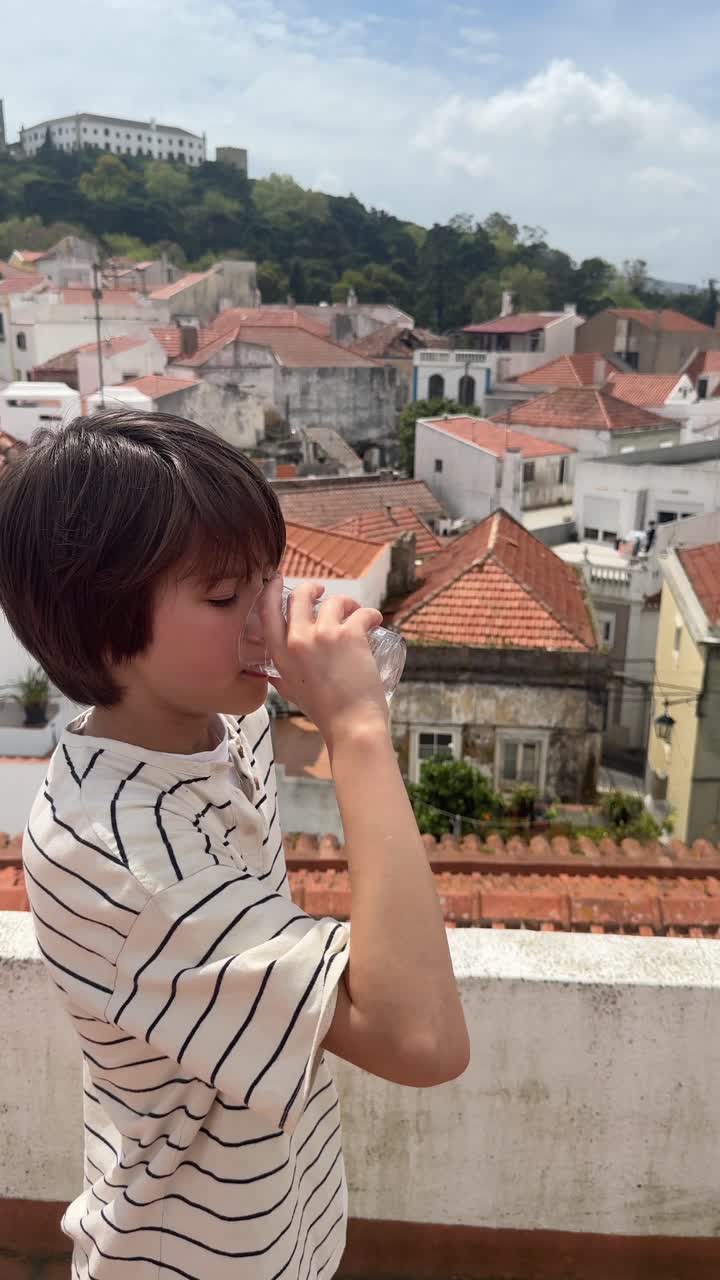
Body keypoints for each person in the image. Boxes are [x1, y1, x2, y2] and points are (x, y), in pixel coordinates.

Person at [0, 410, 469, 1280]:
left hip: (270, 1228)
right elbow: (423, 1041)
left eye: (268, 576)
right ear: (105, 633)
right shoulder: (130, 863)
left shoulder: (205, 722)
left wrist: (344, 706)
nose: (267, 614)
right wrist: (358, 729)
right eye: (224, 597)